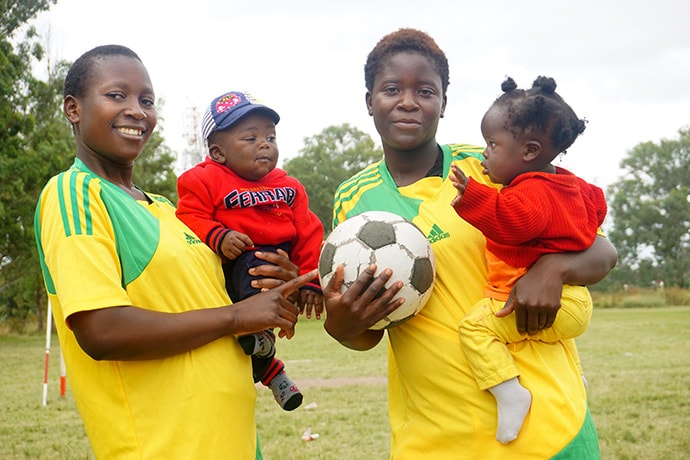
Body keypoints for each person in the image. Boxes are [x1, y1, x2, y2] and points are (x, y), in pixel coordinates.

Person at [321, 28, 617, 459]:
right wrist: (341, 326)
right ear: (369, 100)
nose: (407, 101)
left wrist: (555, 269)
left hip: (549, 428)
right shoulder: (353, 199)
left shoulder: (496, 165)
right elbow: (369, 332)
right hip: (437, 439)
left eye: (425, 90)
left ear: (444, 102)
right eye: (390, 89)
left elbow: (602, 252)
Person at [33, 44, 316, 459]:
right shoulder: (74, 193)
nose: (136, 110)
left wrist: (278, 279)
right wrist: (238, 316)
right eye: (117, 96)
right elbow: (101, 331)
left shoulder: (166, 209)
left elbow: (218, 302)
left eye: (146, 100)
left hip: (232, 443)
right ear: (73, 108)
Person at [449, 75, 608, 444]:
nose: (484, 152)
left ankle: (509, 393)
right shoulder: (569, 184)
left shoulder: (532, 192)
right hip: (575, 299)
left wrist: (472, 196)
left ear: (530, 152)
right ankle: (576, 381)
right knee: (547, 338)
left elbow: (513, 221)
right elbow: (597, 206)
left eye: (492, 144)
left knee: (476, 328)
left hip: (557, 298)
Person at [176, 90, 324, 411]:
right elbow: (188, 215)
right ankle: (272, 368)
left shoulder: (289, 187)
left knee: (267, 282)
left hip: (279, 263)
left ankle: (265, 354)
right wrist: (218, 235)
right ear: (218, 152)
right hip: (234, 263)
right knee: (251, 274)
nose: (265, 144)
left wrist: (311, 282)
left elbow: (309, 233)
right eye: (250, 137)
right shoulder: (203, 179)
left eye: (270, 136)